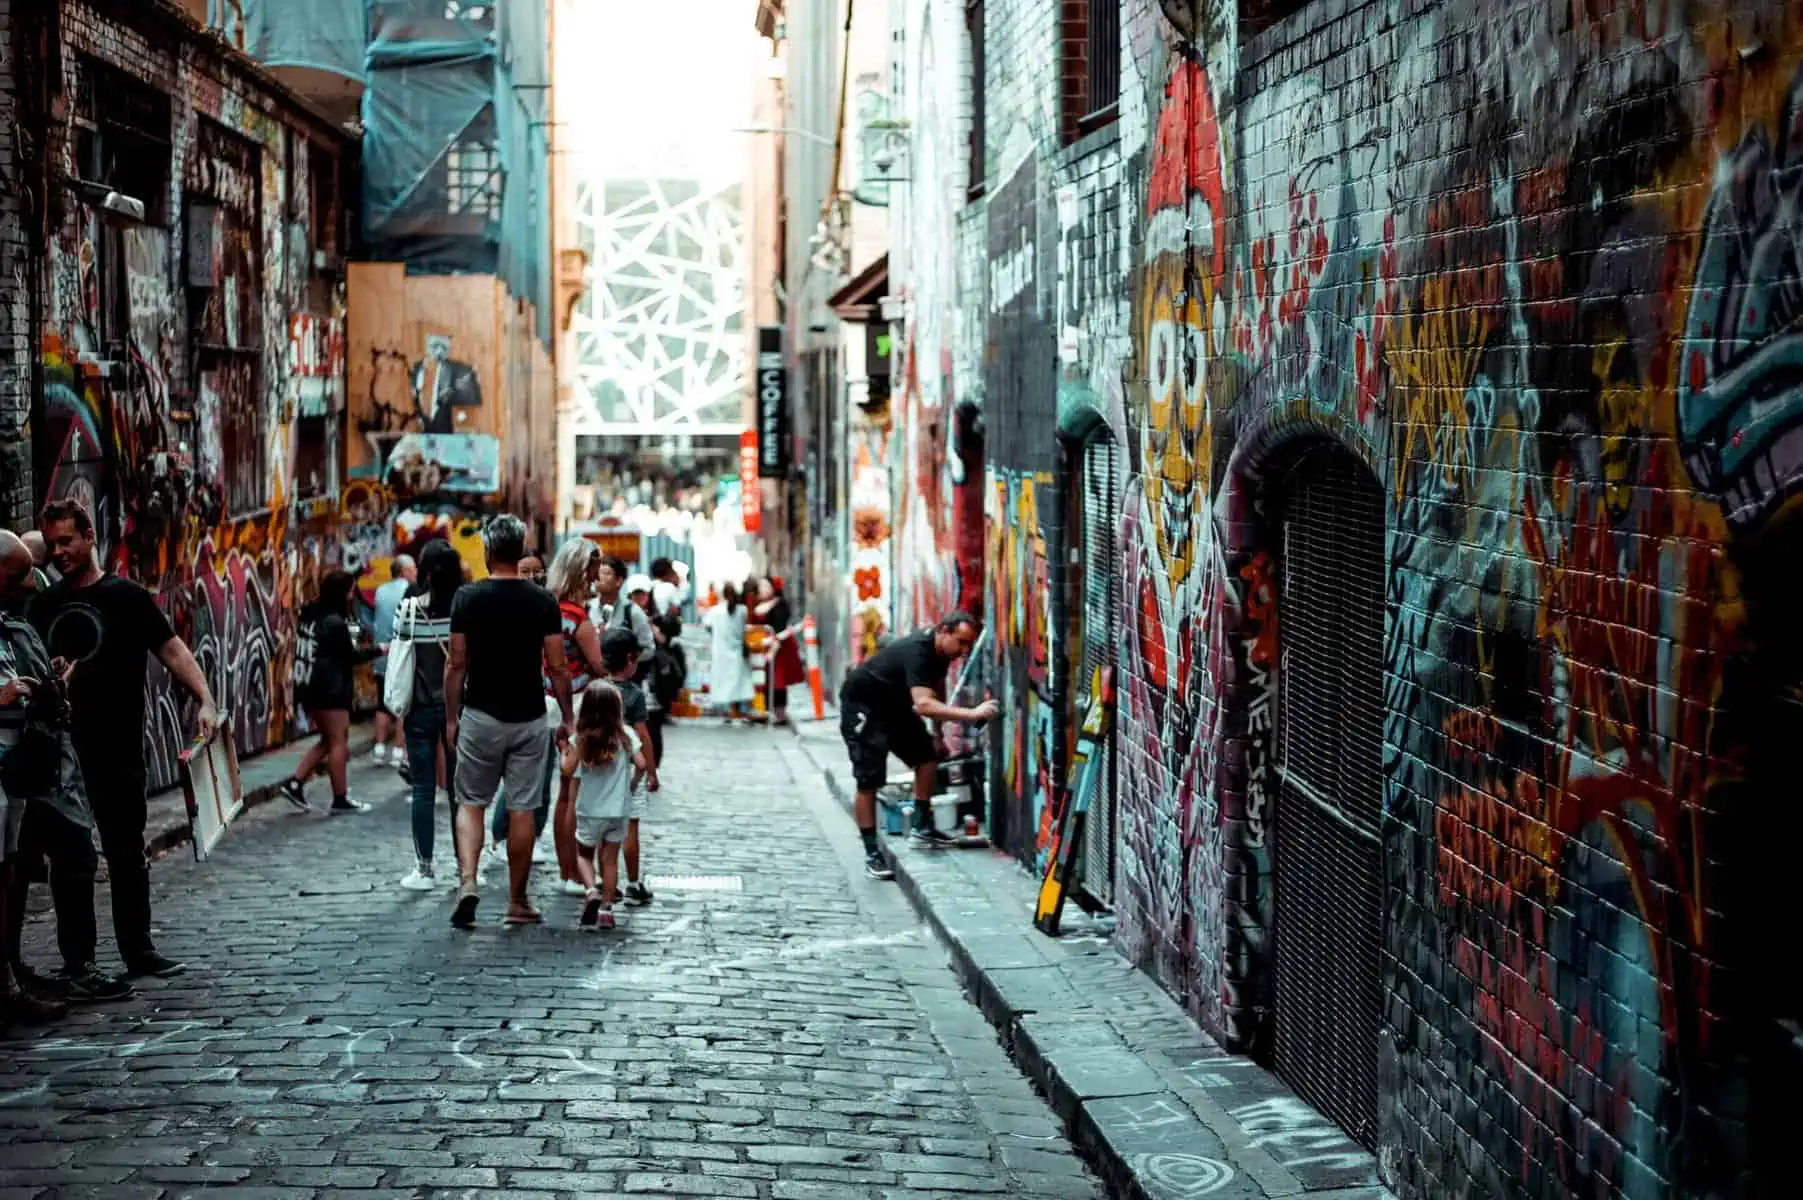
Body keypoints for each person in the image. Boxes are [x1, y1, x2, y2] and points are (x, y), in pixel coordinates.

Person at [31, 498, 217, 980]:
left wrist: (206, 699)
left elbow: (172, 649)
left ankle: (139, 950)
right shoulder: (43, 605)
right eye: (51, 544)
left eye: (66, 541)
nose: (58, 552)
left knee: (127, 851)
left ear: (90, 537)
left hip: (118, 746)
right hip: (62, 752)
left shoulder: (126, 596)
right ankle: (80, 962)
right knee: (70, 859)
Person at [444, 515, 574, 928]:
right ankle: (517, 901)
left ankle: (468, 882)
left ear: (486, 552)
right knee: (522, 809)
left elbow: (456, 663)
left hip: (480, 714)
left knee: (471, 804)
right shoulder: (542, 602)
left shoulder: (467, 598)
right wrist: (568, 717)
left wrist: (451, 717)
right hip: (529, 717)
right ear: (520, 552)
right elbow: (557, 665)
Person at [1, 529, 107, 1019]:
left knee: (19, 871)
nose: (28, 585)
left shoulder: (16, 624)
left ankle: (18, 972)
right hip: (13, 771)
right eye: (18, 575)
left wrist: (49, 685)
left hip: (28, 772)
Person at [839, 611, 997, 879]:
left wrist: (938, 733)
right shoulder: (918, 651)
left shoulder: (942, 654)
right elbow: (924, 704)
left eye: (969, 644)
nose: (963, 651)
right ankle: (872, 854)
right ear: (944, 631)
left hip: (895, 707)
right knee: (868, 780)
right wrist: (973, 714)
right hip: (864, 706)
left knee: (927, 757)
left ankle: (922, 827)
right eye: (961, 642)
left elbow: (935, 691)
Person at [492, 539, 606, 894]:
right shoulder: (575, 616)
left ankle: (564, 869)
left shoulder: (547, 606)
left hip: (541, 701)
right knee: (570, 793)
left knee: (546, 790)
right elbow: (598, 666)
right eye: (591, 570)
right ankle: (570, 871)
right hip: (570, 704)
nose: (595, 578)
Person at [391, 541, 461, 890]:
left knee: (423, 789)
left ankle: (425, 868)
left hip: (419, 708)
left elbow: (402, 657)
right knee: (459, 793)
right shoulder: (465, 609)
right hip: (458, 710)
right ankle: (467, 868)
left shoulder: (409, 610)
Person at [280, 570, 378, 814]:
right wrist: (379, 649)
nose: (352, 595)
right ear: (343, 592)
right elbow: (350, 656)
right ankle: (340, 798)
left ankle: (295, 783)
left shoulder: (311, 615)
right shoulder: (334, 623)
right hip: (331, 690)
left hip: (313, 686)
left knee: (327, 740)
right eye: (350, 590)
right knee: (338, 743)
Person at [560, 679, 646, 930]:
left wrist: (565, 749)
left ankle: (590, 890)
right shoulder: (626, 736)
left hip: (589, 810)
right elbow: (641, 764)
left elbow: (567, 771)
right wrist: (632, 784)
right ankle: (607, 910)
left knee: (583, 854)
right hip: (618, 811)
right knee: (610, 860)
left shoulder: (580, 739)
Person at [601, 628, 658, 907]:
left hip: (600, 771)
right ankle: (633, 884)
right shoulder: (634, 696)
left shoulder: (597, 691)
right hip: (628, 774)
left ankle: (604, 882)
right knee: (630, 827)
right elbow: (643, 737)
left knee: (601, 827)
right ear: (631, 659)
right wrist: (651, 771)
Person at [370, 555, 416, 767]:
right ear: (404, 571)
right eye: (413, 568)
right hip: (402, 653)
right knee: (403, 704)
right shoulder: (411, 591)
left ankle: (379, 748)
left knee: (383, 702)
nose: (415, 571)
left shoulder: (380, 591)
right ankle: (399, 750)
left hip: (382, 653)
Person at [755, 577, 804, 727]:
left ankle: (780, 713)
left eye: (765, 585)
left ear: (773, 588)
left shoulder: (780, 605)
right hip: (762, 648)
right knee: (762, 680)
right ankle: (762, 710)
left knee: (778, 682)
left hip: (779, 648)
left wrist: (773, 650)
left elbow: (780, 629)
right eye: (760, 586)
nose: (762, 589)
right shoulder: (757, 604)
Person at [592, 556, 655, 664]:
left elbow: (648, 649)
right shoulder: (587, 608)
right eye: (597, 572)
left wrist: (622, 664)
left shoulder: (632, 612)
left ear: (619, 581)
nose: (599, 577)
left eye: (605, 573)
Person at [707, 584, 755, 722]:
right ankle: (743, 711)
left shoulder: (714, 611)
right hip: (738, 650)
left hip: (721, 652)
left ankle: (727, 711)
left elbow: (708, 627)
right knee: (741, 682)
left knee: (724, 681)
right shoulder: (742, 610)